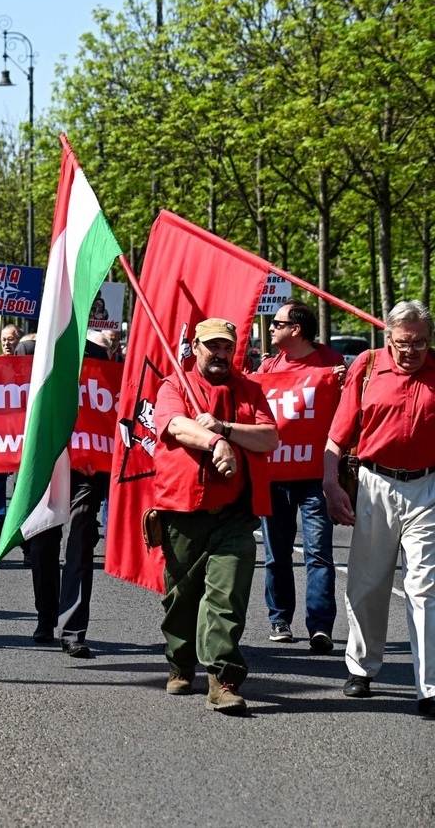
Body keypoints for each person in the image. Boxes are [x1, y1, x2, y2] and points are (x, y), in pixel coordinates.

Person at [153, 318, 278, 714]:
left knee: (227, 598)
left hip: (236, 515)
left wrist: (225, 427)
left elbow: (269, 437)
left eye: (227, 347)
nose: (220, 354)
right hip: (183, 511)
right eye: (212, 346)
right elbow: (175, 425)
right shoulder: (174, 385)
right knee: (181, 598)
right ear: (196, 347)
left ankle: (223, 680)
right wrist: (215, 443)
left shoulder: (250, 390)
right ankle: (179, 663)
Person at [324, 301, 435, 717]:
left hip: (428, 487)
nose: (411, 352)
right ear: (388, 338)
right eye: (404, 343)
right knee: (368, 584)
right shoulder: (368, 368)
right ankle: (362, 667)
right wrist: (331, 484)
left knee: (425, 588)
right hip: (374, 484)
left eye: (421, 344)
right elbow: (337, 436)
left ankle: (429, 687)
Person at [17, 331, 113, 656]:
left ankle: (73, 630)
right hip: (45, 464)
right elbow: (13, 403)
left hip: (85, 468)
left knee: (81, 543)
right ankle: (46, 618)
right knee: (43, 544)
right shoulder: (31, 350)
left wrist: (97, 453)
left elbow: (105, 408)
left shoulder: (99, 356)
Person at [258, 300, 345, 652]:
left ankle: (320, 627)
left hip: (315, 476)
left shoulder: (332, 365)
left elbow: (352, 408)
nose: (270, 328)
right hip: (274, 476)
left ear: (296, 329)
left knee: (319, 553)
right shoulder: (267, 367)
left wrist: (345, 382)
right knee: (276, 554)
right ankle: (280, 617)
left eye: (276, 323)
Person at [0, 324, 23, 535]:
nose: (6, 343)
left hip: (20, 431)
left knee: (20, 478)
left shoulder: (29, 366)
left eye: (11, 339)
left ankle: (19, 518)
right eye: (3, 340)